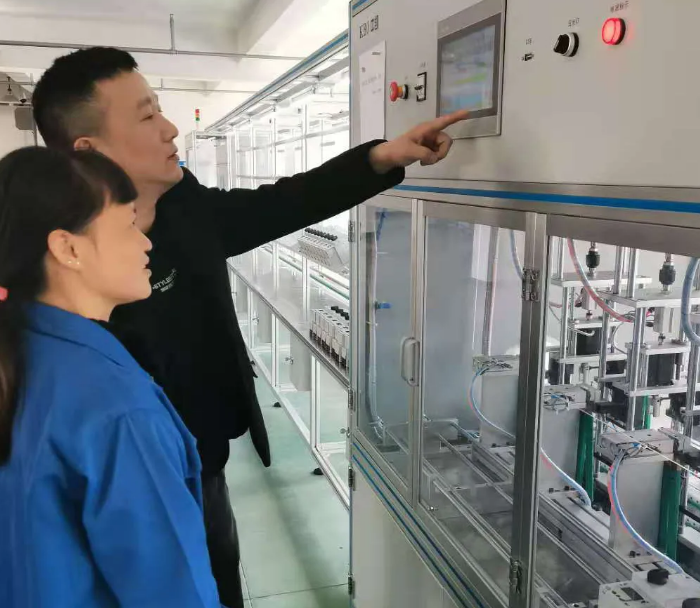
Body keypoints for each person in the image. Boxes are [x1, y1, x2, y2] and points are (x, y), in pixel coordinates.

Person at [31, 46, 466, 608]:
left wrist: (380, 158)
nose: (169, 129)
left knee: (218, 570)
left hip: (204, 453)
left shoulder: (182, 203)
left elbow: (277, 205)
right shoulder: (62, 281)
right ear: (90, 152)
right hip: (131, 476)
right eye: (146, 115)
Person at [0, 147, 223, 607]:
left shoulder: (22, 353)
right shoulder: (117, 409)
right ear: (69, 249)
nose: (146, 244)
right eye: (128, 224)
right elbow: (174, 592)